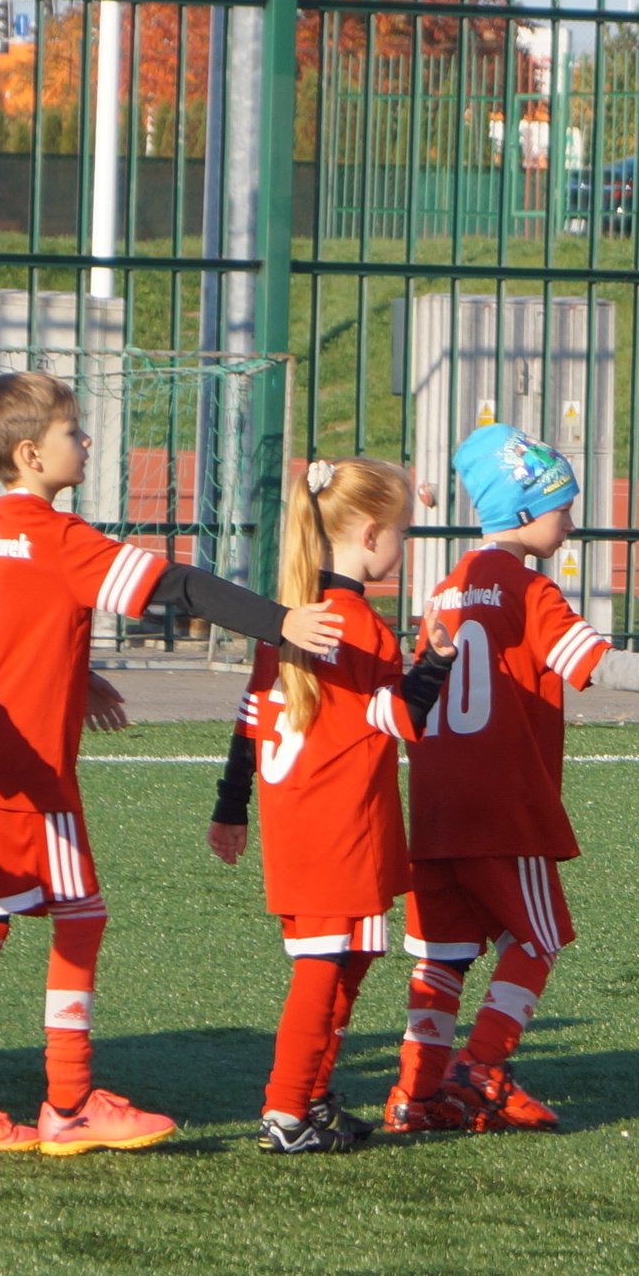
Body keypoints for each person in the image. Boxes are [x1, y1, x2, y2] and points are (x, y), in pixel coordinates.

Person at [0, 371, 338, 1156]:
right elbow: (177, 584)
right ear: (30, 454)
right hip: (30, 770)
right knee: (81, 916)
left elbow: (14, 624)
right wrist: (281, 621)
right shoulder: (55, 533)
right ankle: (70, 1103)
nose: (86, 441)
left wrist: (74, 674)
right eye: (72, 432)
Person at [390, 423, 639, 1134]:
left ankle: (414, 1094)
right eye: (564, 507)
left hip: (435, 803)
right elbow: (601, 665)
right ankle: (483, 1066)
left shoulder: (445, 589)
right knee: (537, 941)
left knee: (443, 958)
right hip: (504, 801)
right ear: (523, 511)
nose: (573, 522)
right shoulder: (527, 589)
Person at [209, 458, 438, 1153]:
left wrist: (231, 805)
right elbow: (401, 718)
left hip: (300, 819)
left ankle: (311, 1093)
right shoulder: (359, 624)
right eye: (402, 531)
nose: (403, 544)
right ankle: (285, 1112)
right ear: (370, 534)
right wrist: (439, 658)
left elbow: (251, 718)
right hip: (341, 821)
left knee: (346, 959)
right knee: (322, 967)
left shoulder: (288, 616)